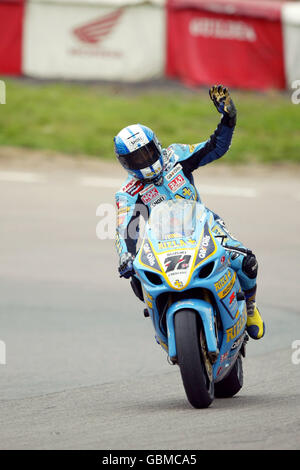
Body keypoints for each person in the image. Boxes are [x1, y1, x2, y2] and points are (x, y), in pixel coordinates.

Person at [114, 85, 265, 340]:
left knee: (246, 261)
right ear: (126, 164)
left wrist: (228, 119)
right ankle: (165, 321)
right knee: (137, 279)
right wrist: (126, 257)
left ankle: (249, 308)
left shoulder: (176, 156)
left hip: (204, 227)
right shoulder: (128, 192)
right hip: (161, 243)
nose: (145, 161)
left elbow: (214, 148)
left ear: (157, 146)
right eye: (136, 159)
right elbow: (126, 228)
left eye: (147, 153)